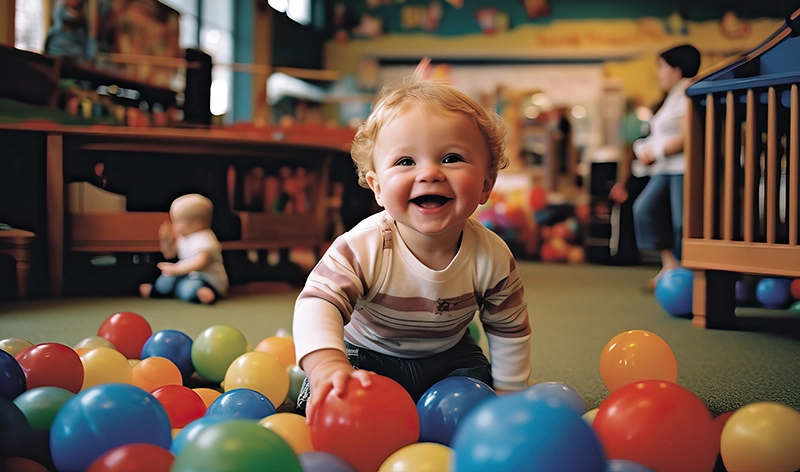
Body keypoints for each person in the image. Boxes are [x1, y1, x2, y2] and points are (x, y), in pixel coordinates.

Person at [292, 58, 532, 419]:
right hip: (367, 355)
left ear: (486, 185)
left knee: (478, 401)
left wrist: (510, 393)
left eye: (451, 158)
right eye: (406, 161)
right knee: (337, 401)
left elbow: (508, 327)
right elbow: (317, 303)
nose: (430, 173)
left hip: (448, 358)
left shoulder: (492, 256)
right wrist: (327, 364)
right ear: (377, 188)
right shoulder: (365, 246)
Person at [608, 44, 701, 291]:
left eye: (661, 67)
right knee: (644, 209)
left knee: (682, 224)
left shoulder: (686, 92)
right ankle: (671, 266)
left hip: (682, 169)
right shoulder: (671, 97)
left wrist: (655, 152)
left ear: (676, 68)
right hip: (664, 168)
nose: (659, 73)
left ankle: (687, 272)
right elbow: (660, 135)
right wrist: (646, 149)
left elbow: (686, 137)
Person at [139, 193, 228, 304]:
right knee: (167, 277)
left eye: (177, 222)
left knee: (189, 287)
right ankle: (156, 290)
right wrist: (168, 241)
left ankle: (202, 292)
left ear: (196, 224)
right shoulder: (184, 238)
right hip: (187, 275)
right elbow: (171, 254)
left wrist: (177, 270)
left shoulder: (205, 237)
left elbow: (201, 261)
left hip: (208, 280)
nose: (174, 225)